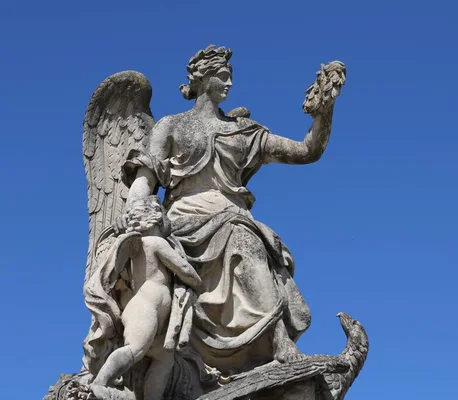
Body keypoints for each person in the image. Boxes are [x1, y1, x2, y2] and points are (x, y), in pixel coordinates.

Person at [121, 45, 338, 373]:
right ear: (203, 79)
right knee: (239, 232)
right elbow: (146, 176)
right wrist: (136, 206)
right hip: (184, 216)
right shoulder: (172, 126)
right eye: (222, 76)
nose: (229, 84)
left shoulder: (243, 132)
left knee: (245, 236)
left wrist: (324, 112)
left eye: (230, 77)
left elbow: (307, 150)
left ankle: (279, 341)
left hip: (232, 215)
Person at [88, 196, 203, 400]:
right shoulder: (155, 242)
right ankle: (99, 383)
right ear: (157, 217)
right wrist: (196, 283)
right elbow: (183, 268)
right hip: (144, 308)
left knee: (164, 359)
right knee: (135, 348)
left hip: (156, 317)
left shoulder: (139, 245)